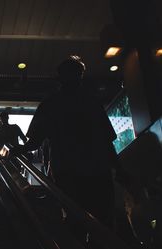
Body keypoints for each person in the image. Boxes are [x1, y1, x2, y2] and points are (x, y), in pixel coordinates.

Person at [18, 55, 118, 229]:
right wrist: (119, 169)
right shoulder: (92, 102)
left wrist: (15, 151)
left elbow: (34, 141)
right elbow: (107, 141)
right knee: (103, 221)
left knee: (74, 217)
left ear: (59, 77)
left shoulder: (50, 105)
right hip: (98, 170)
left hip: (67, 171)